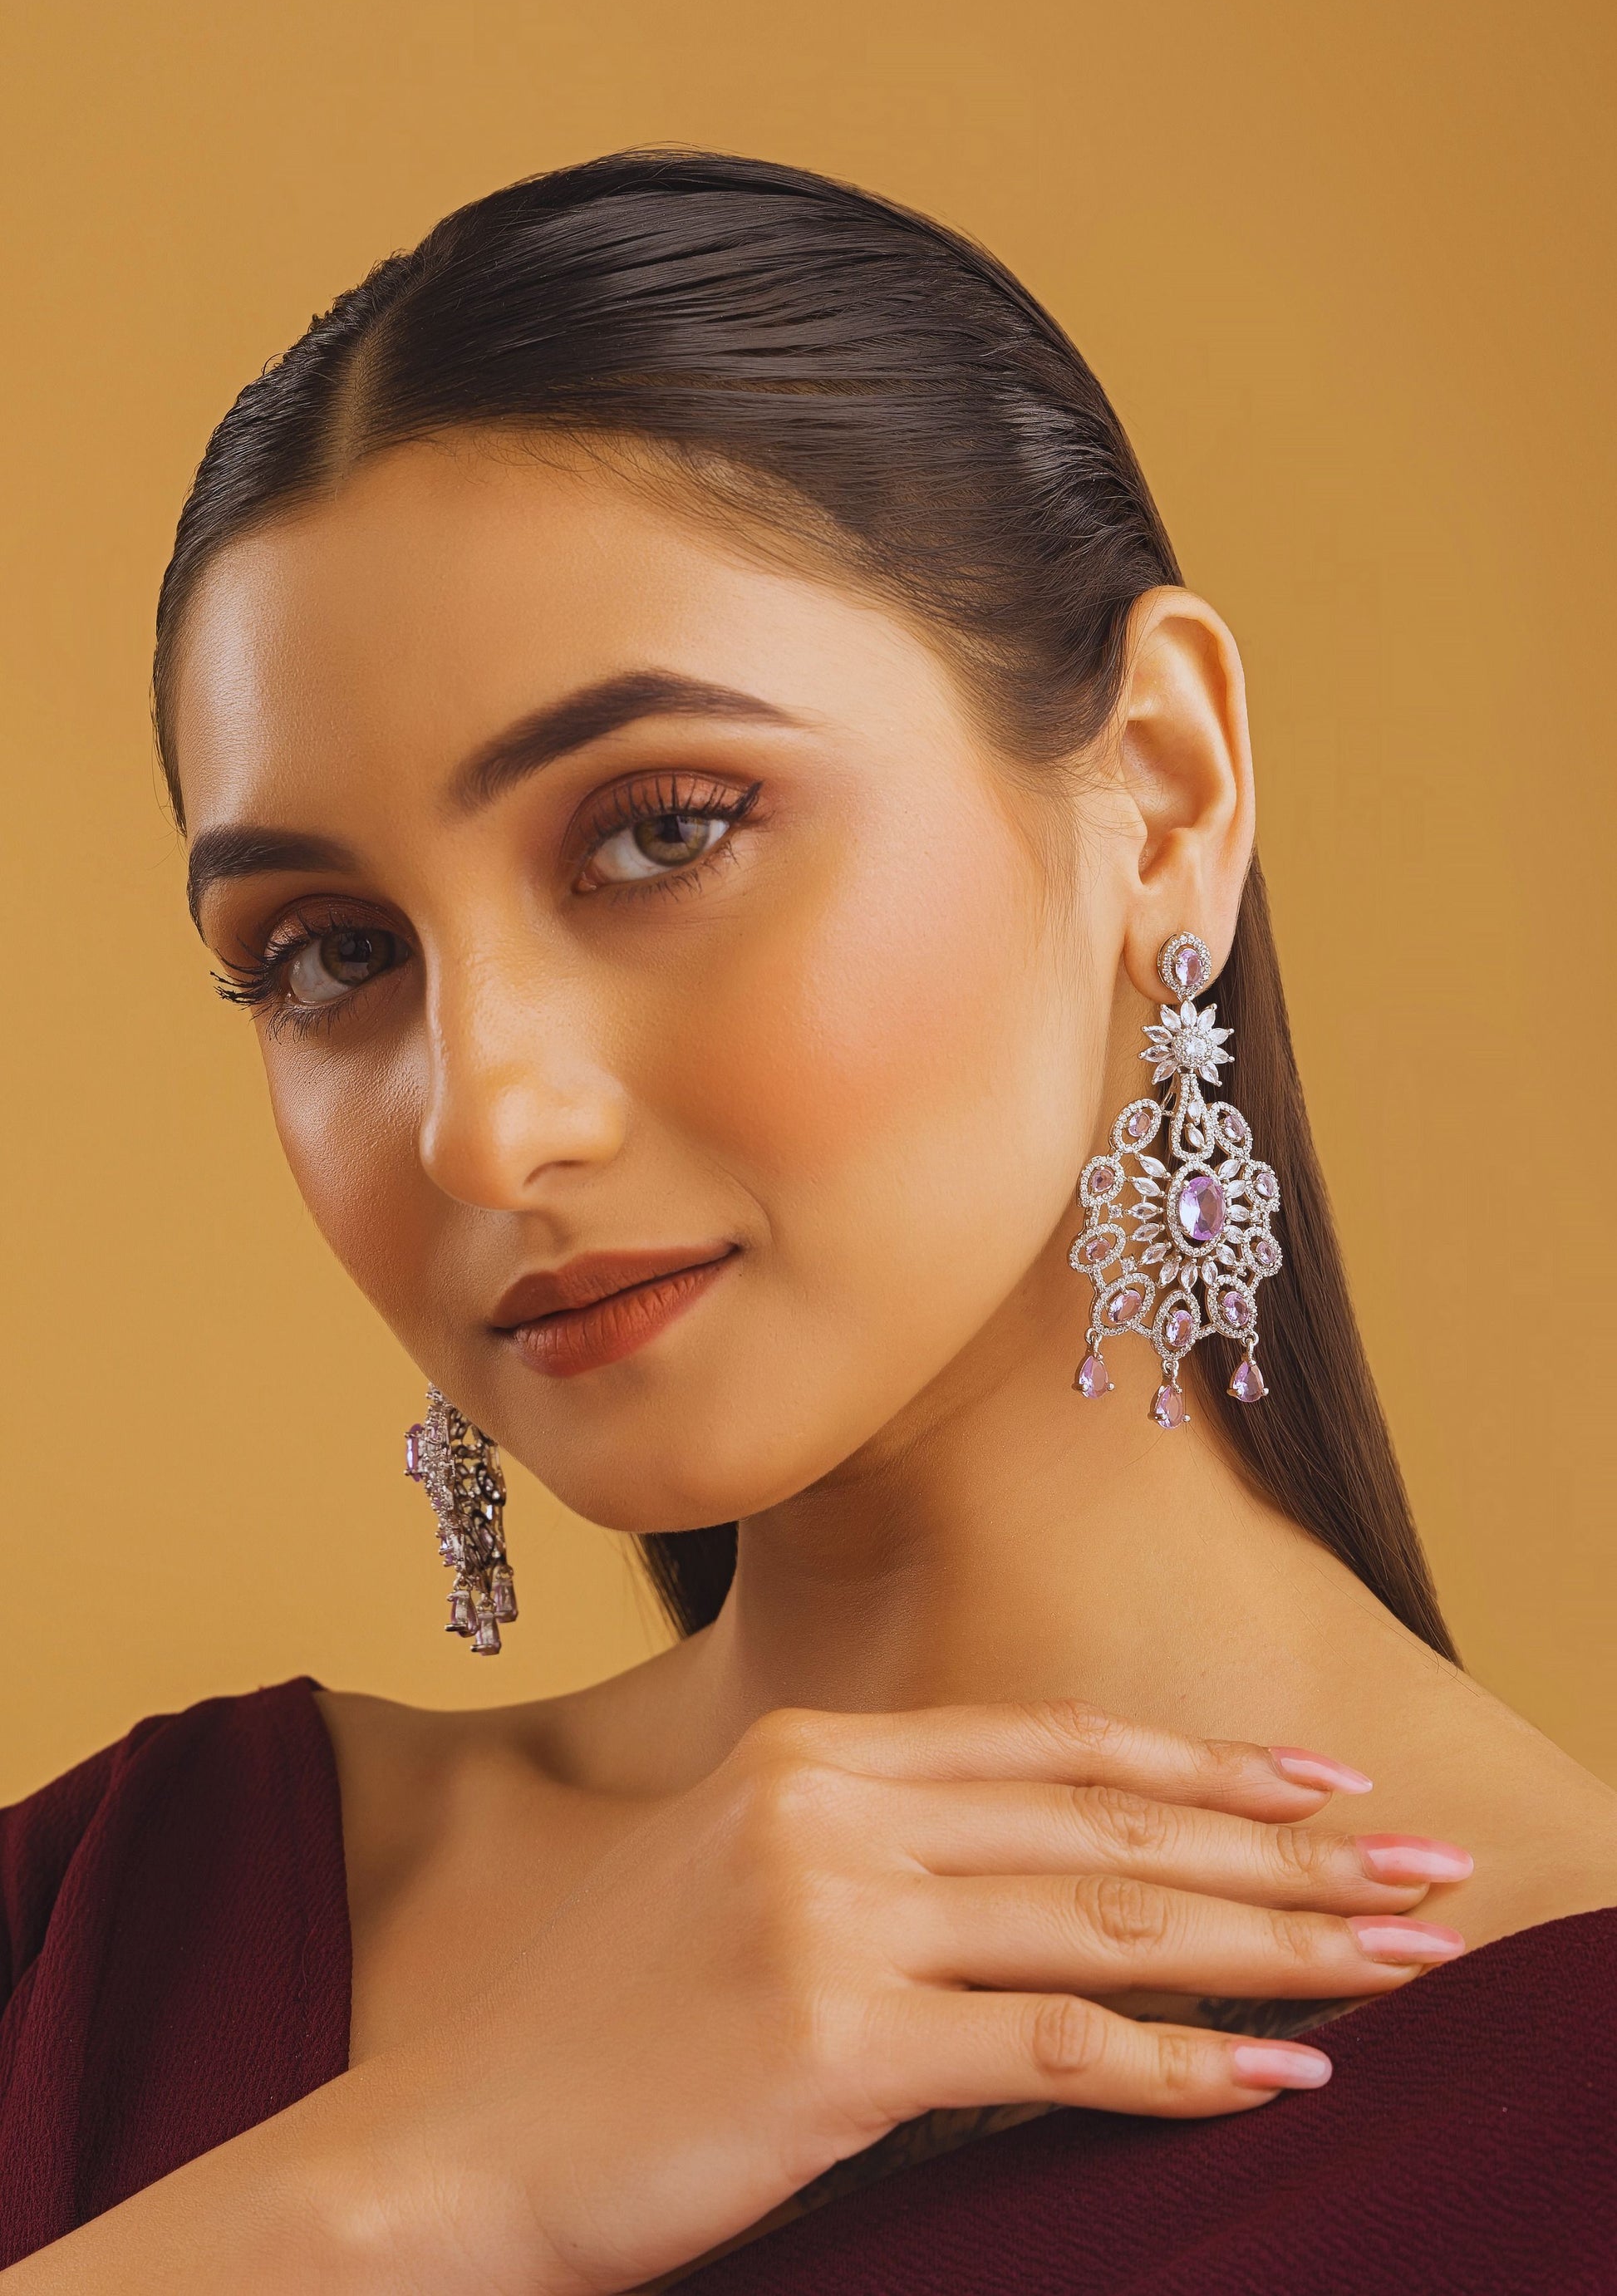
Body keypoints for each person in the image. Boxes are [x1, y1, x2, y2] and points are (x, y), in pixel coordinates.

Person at [3, 152, 1614, 2294]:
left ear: (1165, 787)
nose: (488, 1124)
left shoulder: (1554, 2118)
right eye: (328, 953)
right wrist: (425, 2189)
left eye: (662, 831)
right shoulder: (112, 1924)